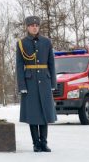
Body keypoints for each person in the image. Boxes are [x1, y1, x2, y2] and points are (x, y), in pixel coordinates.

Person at [16, 16, 57, 153]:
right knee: (33, 114)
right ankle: (36, 144)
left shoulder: (46, 42)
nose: (34, 27)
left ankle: (44, 143)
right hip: (30, 82)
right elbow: (19, 66)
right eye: (32, 25)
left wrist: (53, 83)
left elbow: (51, 63)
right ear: (27, 27)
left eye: (37, 25)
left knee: (45, 113)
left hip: (45, 81)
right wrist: (22, 86)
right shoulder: (22, 43)